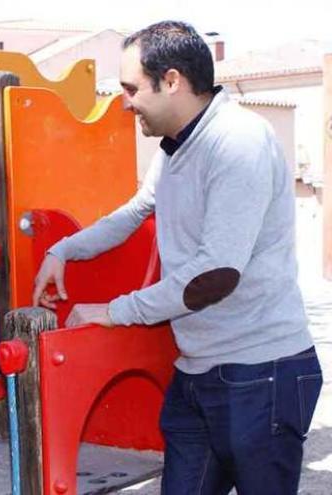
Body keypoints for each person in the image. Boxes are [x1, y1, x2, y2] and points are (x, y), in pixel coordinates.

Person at [32, 20, 323, 494]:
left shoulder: (237, 142)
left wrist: (115, 312)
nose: (124, 102)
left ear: (171, 81)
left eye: (131, 88)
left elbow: (214, 275)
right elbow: (135, 212)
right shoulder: (174, 149)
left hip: (261, 374)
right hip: (197, 371)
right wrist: (62, 249)